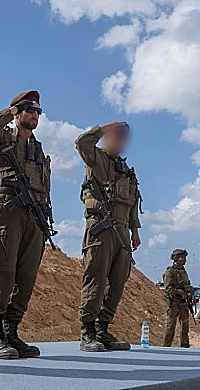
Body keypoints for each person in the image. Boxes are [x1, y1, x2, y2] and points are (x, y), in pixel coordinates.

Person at [0, 91, 51, 360]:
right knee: (3, 271)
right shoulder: (2, 138)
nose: (34, 115)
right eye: (28, 110)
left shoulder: (38, 149)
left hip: (35, 215)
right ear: (17, 112)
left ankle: (11, 331)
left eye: (37, 112)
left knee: (26, 275)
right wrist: (10, 110)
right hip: (7, 214)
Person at [76, 121, 142, 352]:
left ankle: (103, 329)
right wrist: (105, 127)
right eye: (117, 136)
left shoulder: (125, 169)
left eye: (124, 137)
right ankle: (88, 331)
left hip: (122, 232)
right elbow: (81, 142)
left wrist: (135, 231)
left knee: (118, 281)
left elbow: (133, 203)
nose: (120, 141)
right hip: (101, 228)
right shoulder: (97, 158)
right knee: (96, 277)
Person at [163, 249, 193, 348]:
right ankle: (166, 346)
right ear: (177, 258)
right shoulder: (170, 272)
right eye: (183, 257)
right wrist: (179, 292)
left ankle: (185, 345)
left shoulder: (183, 271)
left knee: (185, 325)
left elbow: (187, 285)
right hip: (174, 302)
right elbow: (168, 288)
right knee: (170, 325)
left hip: (183, 303)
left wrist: (189, 294)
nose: (184, 260)